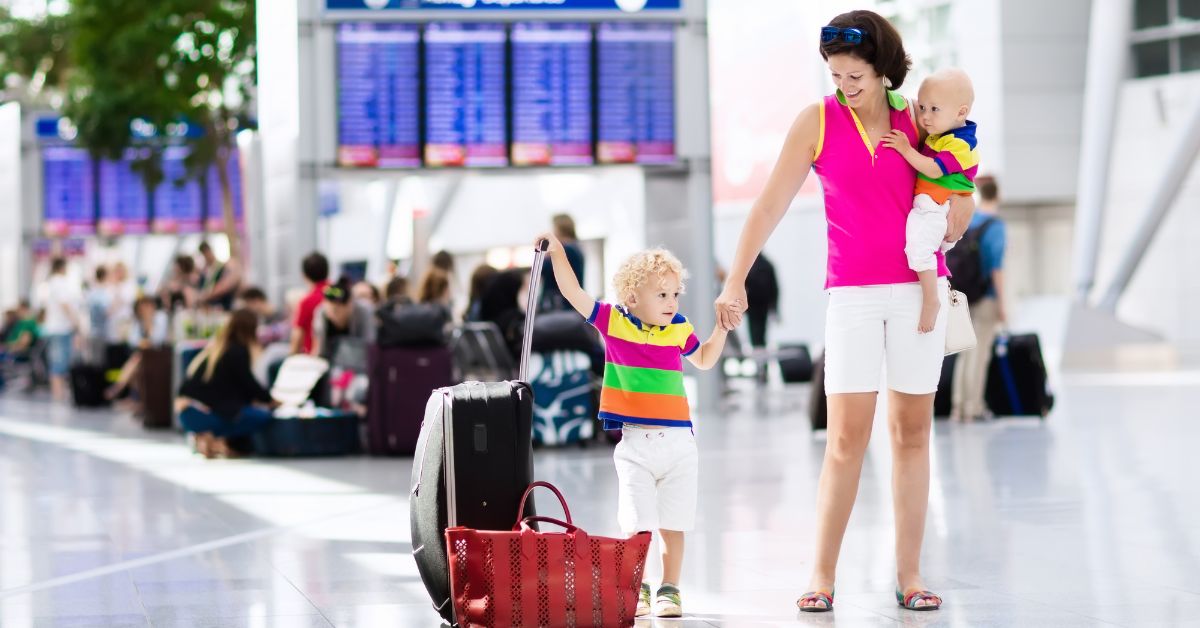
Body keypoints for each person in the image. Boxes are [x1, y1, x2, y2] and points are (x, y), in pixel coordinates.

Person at [714, 10, 974, 613]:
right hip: (852, 297)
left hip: (918, 295)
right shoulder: (819, 121)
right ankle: (821, 576)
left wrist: (964, 204)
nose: (845, 87)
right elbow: (768, 205)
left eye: (855, 75)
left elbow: (961, 177)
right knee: (844, 440)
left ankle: (910, 575)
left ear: (884, 69)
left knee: (912, 434)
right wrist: (735, 280)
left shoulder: (920, 118)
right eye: (835, 75)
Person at [539, 232, 726, 618]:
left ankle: (669, 588)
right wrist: (558, 252)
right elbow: (574, 293)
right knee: (637, 523)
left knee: (674, 523)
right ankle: (636, 586)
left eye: (675, 294)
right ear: (632, 298)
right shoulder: (612, 322)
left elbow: (705, 359)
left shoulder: (679, 328)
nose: (671, 303)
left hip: (678, 445)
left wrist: (721, 329)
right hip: (635, 445)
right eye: (662, 295)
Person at [882, 68, 980, 332]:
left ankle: (930, 300)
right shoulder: (943, 134)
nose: (924, 116)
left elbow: (935, 169)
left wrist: (905, 149)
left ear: (961, 112)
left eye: (934, 109)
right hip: (936, 208)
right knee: (926, 249)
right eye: (922, 107)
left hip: (935, 209)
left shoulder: (961, 143)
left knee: (919, 252)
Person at [176, 308, 274, 458]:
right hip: (206, 414)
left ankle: (206, 438)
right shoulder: (238, 351)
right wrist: (271, 400)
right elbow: (249, 385)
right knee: (262, 417)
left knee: (240, 411)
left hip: (187, 413)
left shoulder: (214, 349)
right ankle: (217, 440)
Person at [950, 175, 1007, 422]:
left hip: (963, 294)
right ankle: (974, 407)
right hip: (985, 296)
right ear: (998, 195)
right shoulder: (995, 226)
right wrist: (1002, 304)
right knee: (980, 352)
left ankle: (958, 406)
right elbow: (997, 268)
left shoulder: (970, 220)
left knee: (964, 350)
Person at [106, 296, 170, 401]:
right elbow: (133, 341)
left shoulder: (161, 318)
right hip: (144, 356)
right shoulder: (138, 322)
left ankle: (119, 387)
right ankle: (138, 400)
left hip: (160, 356)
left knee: (136, 360)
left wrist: (149, 325)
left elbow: (158, 340)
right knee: (137, 366)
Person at [38, 257, 82, 400]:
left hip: (55, 328)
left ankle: (59, 393)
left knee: (58, 361)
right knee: (59, 361)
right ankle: (58, 394)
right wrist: (76, 322)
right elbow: (65, 305)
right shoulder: (59, 283)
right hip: (60, 328)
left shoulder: (50, 283)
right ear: (62, 267)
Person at [311, 277, 376, 363]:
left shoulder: (365, 311)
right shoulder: (321, 312)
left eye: (336, 311)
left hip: (359, 361)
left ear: (349, 305)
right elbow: (319, 348)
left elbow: (370, 344)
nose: (331, 316)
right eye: (329, 311)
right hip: (331, 361)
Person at [539, 214, 585, 312]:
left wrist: (547, 257)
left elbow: (544, 270)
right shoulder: (576, 248)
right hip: (569, 304)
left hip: (559, 305)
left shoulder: (565, 250)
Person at [290, 252, 330, 355]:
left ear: (304, 275)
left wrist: (290, 358)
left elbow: (297, 336)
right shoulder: (336, 293)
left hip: (312, 356)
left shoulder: (307, 302)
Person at [743, 254, 779, 349]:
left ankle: (760, 357)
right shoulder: (766, 265)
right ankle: (760, 357)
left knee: (757, 336)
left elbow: (774, 289)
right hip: (757, 307)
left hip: (757, 307)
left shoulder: (750, 266)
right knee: (758, 336)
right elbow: (774, 289)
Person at [197, 241, 242, 311]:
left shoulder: (223, 267)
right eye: (204, 254)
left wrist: (205, 297)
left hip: (222, 305)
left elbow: (224, 286)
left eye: (207, 253)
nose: (206, 256)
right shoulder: (204, 271)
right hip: (208, 306)